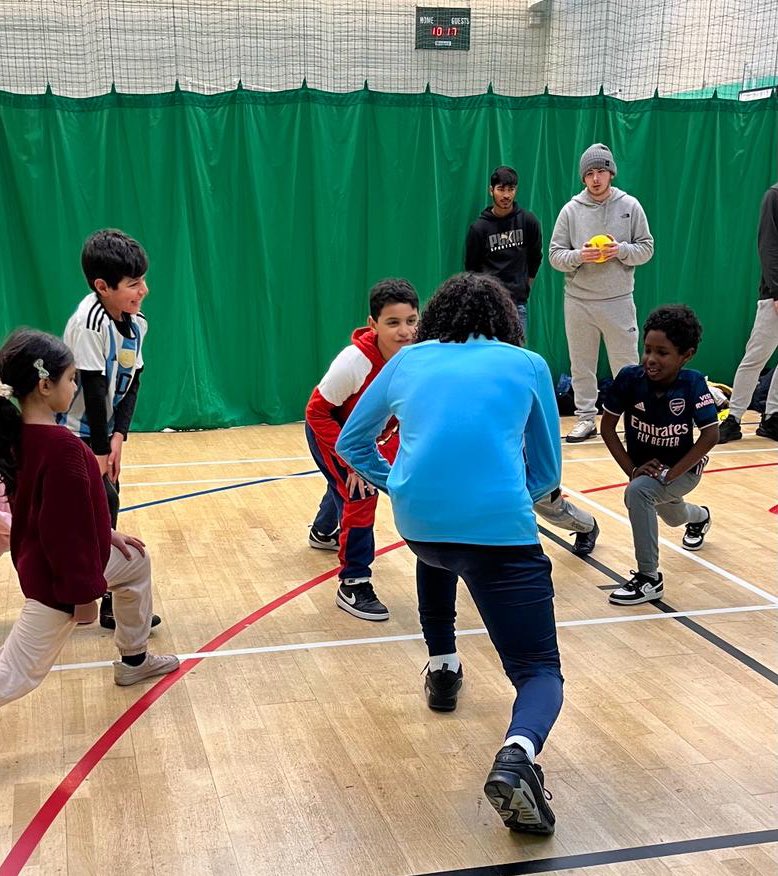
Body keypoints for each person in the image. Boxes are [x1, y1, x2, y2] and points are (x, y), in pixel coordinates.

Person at [336, 273, 563, 835]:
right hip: (500, 534)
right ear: (505, 323)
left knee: (440, 551)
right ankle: (517, 754)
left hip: (421, 528)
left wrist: (400, 485)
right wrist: (507, 499)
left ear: (435, 318)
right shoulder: (528, 364)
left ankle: (443, 666)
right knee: (539, 672)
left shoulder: (408, 361)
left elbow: (350, 442)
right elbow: (547, 472)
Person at [0, 329, 178, 706]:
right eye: (70, 378)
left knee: (135, 563)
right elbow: (64, 533)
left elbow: (59, 511)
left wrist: (107, 534)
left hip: (58, 563)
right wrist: (83, 597)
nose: (75, 385)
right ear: (45, 386)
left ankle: (135, 659)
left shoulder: (21, 437)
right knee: (12, 675)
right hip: (58, 583)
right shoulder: (63, 448)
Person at [305, 279, 419, 622]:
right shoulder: (354, 362)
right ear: (373, 324)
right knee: (359, 492)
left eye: (411, 321)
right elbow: (316, 412)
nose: (405, 331)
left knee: (345, 486)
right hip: (333, 434)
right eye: (393, 323)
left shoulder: (417, 355)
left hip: (374, 437)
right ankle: (353, 582)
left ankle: (323, 531)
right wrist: (354, 464)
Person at [60, 229, 155, 630]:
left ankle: (106, 594)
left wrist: (119, 438)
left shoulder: (136, 323)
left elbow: (133, 381)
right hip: (72, 434)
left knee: (104, 507)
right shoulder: (89, 323)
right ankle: (85, 593)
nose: (144, 291)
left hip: (103, 435)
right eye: (133, 284)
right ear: (103, 286)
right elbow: (94, 389)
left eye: (142, 280)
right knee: (96, 508)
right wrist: (100, 450)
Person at [600, 305, 719, 605]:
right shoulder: (629, 378)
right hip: (647, 471)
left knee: (639, 494)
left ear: (686, 355)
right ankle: (700, 517)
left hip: (683, 469)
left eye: (662, 353)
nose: (651, 359)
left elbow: (711, 435)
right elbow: (607, 429)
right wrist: (632, 469)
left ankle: (649, 578)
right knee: (671, 513)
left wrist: (670, 473)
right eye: (647, 350)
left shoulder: (692, 384)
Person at [549, 144, 654, 443]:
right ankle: (585, 418)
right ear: (584, 178)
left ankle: (635, 419)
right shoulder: (571, 210)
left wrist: (620, 250)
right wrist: (580, 255)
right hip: (579, 300)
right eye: (590, 173)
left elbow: (646, 248)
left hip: (618, 299)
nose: (596, 179)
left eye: (601, 172)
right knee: (581, 365)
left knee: (627, 365)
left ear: (611, 173)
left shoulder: (630, 206)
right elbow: (555, 255)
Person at [718, 183, 778, 443]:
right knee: (756, 357)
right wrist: (777, 290)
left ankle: (773, 417)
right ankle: (734, 418)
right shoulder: (774, 196)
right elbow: (768, 246)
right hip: (774, 296)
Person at [464, 165, 542, 336]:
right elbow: (472, 269)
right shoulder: (479, 228)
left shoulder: (528, 221)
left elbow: (535, 257)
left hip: (517, 305)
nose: (506, 195)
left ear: (516, 190)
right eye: (501, 189)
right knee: (489, 358)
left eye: (511, 189)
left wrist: (524, 287)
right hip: (487, 307)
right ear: (491, 191)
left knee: (517, 356)